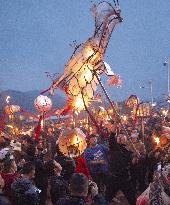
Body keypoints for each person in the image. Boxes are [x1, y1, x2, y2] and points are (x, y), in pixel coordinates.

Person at [106, 133, 136, 205]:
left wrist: (136, 157)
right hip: (113, 177)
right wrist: (115, 123)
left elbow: (132, 163)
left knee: (132, 198)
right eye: (119, 136)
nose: (120, 138)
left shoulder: (128, 150)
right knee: (107, 198)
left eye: (122, 137)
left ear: (125, 140)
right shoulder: (113, 146)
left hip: (124, 177)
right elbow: (112, 135)